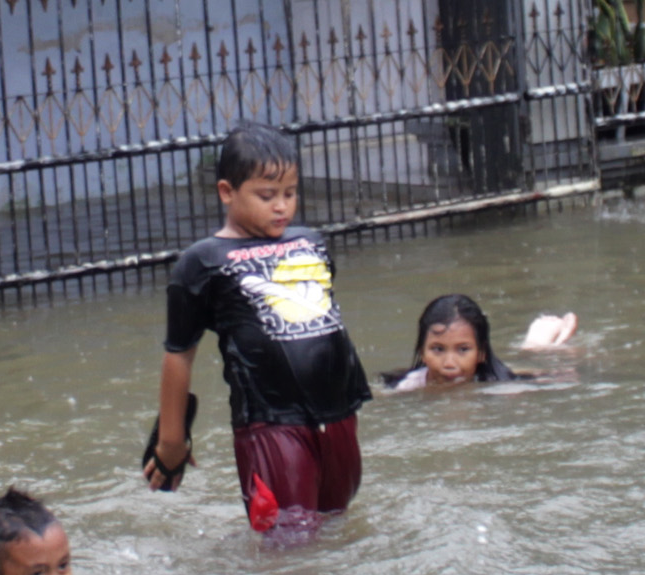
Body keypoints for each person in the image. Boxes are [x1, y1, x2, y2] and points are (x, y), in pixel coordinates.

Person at [146, 121, 369, 531]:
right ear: (227, 192)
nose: (282, 206)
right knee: (288, 538)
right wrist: (171, 441)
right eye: (267, 196)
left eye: (290, 193)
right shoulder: (203, 262)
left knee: (338, 525)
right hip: (270, 424)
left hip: (338, 414)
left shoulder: (311, 242)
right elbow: (179, 355)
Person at [381, 293, 582, 390]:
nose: (449, 363)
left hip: (505, 371)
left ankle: (542, 343)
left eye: (463, 350)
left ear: (481, 353)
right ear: (422, 352)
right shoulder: (408, 387)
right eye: (438, 349)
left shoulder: (498, 385)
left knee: (531, 357)